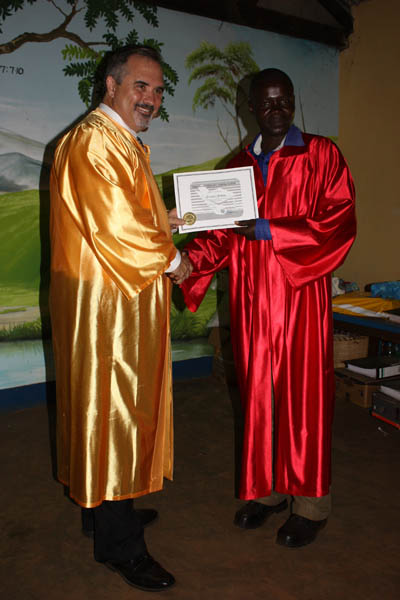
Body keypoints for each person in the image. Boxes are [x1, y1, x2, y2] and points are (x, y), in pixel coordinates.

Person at [181, 68, 356, 548]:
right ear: (251, 109)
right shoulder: (236, 166)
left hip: (301, 298)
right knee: (260, 397)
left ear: (293, 101)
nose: (277, 109)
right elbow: (218, 235)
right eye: (267, 102)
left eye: (284, 100)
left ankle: (311, 504)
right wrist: (184, 263)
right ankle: (269, 490)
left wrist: (269, 230)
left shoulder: (321, 156)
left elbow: (338, 222)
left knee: (304, 400)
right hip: (253, 301)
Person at [49, 45, 191, 591]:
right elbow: (116, 227)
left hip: (115, 298)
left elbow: (128, 213)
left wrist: (166, 218)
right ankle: (120, 545)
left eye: (158, 90)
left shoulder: (117, 140)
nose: (151, 98)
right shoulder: (95, 140)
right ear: (111, 85)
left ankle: (106, 508)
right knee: (115, 411)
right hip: (108, 307)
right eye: (141, 86)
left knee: (104, 410)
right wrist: (175, 261)